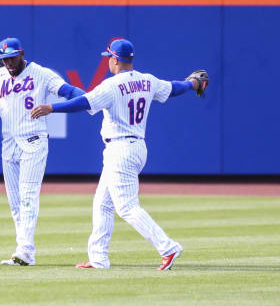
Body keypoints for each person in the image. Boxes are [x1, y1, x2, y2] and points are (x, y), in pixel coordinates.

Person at [31, 38, 208, 271]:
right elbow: (175, 88)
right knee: (103, 204)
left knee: (126, 207)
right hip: (135, 147)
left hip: (121, 150)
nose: (107, 62)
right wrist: (194, 83)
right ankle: (98, 259)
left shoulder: (111, 86)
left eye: (108, 59)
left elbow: (83, 102)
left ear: (114, 59)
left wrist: (52, 107)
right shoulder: (147, 80)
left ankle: (168, 247)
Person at [0, 37, 86, 266]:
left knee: (28, 196)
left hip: (34, 140)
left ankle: (24, 250)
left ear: (21, 53)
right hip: (8, 143)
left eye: (12, 57)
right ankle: (25, 252)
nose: (9, 63)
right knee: (15, 202)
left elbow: (70, 91)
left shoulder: (41, 73)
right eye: (4, 59)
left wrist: (90, 98)